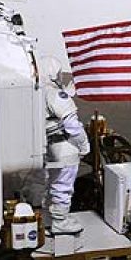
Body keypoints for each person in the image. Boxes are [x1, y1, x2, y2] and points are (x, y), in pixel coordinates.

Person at [38, 56, 90, 235]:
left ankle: (46, 218)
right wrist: (84, 145)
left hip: (45, 145)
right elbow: (72, 126)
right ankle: (60, 220)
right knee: (63, 183)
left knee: (47, 182)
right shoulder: (54, 94)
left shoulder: (37, 90)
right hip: (62, 144)